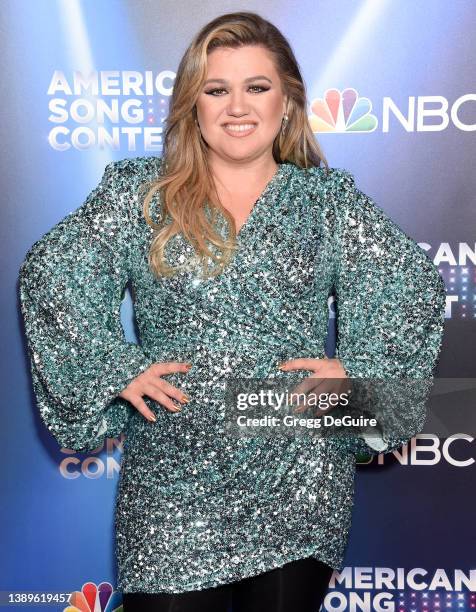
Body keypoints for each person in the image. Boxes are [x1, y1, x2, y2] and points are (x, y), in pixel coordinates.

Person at [18, 10, 446, 612]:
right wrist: (112, 366)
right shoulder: (143, 194)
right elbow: (54, 272)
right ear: (193, 105)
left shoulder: (326, 203)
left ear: (288, 102)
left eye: (257, 87)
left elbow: (408, 285)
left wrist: (355, 382)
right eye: (216, 90)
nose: (236, 107)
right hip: (171, 480)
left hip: (297, 476)